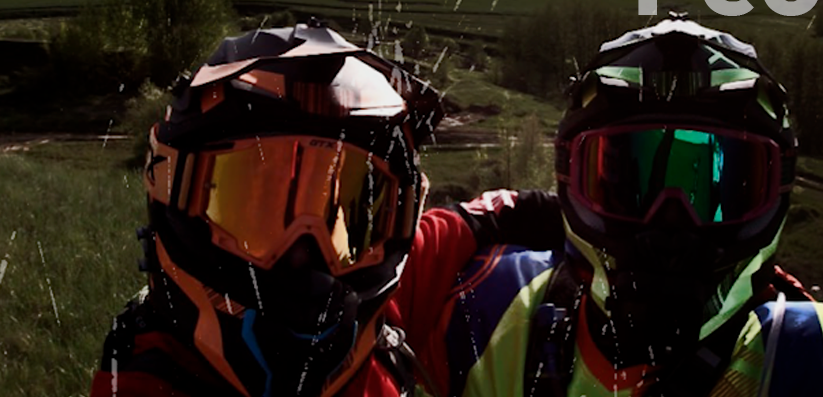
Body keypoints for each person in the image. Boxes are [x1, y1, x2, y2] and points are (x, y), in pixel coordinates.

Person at [422, 14, 823, 397]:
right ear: (570, 183)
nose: (670, 221)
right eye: (630, 185)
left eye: (714, 188)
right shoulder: (484, 309)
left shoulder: (819, 357)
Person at [89, 20, 562, 397]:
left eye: (345, 213)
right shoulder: (144, 381)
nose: (305, 251)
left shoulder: (384, 296)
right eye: (259, 207)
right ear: (174, 193)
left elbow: (483, 217)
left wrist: (583, 214)